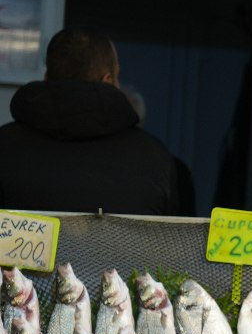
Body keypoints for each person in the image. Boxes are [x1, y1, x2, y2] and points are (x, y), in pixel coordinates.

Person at [0, 26, 186, 215]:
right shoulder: (154, 159)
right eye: (118, 76)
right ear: (108, 81)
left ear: (47, 78)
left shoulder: (5, 145)